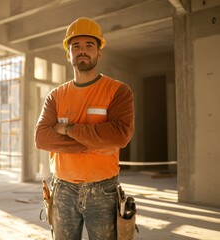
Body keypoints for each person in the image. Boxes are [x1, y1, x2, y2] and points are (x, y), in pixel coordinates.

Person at [34, 17, 135, 240]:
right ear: (68, 54)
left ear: (99, 52)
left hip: (104, 191)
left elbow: (119, 135)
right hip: (62, 190)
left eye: (89, 45)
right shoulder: (56, 95)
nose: (82, 51)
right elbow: (41, 138)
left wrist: (66, 128)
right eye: (76, 46)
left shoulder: (118, 91)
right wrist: (94, 142)